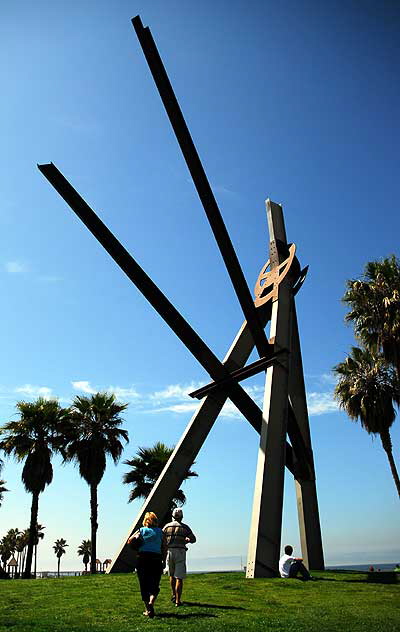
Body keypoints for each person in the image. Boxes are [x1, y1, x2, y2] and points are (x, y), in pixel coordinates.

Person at [128, 511, 167, 618]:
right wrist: (163, 560)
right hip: (156, 559)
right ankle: (151, 604)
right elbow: (164, 547)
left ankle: (147, 609)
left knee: (143, 584)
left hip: (142, 559)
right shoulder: (160, 532)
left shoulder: (141, 530)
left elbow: (129, 541)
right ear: (155, 520)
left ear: (145, 521)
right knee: (155, 584)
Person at [163, 508, 196, 606]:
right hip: (180, 552)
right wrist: (188, 539)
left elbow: (162, 538)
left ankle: (173, 594)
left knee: (171, 575)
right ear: (182, 517)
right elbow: (194, 539)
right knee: (179, 577)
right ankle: (178, 600)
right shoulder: (185, 527)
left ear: (172, 516)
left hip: (169, 551)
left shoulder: (166, 527)